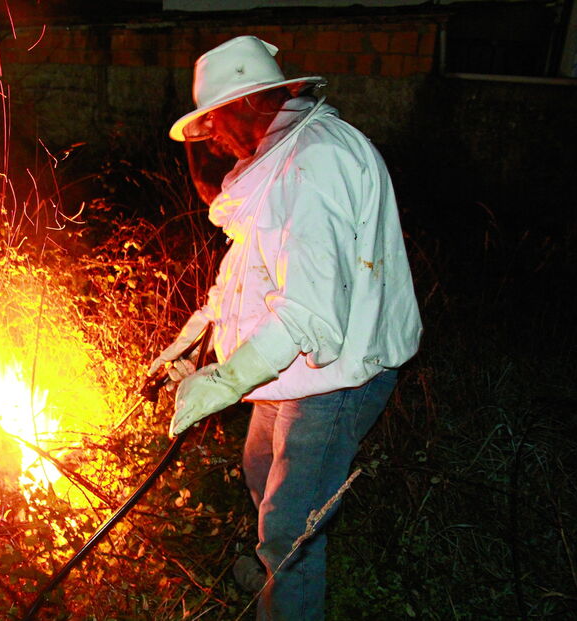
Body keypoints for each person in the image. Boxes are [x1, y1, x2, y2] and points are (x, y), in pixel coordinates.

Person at [148, 35, 422, 620]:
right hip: (291, 368)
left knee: (291, 521)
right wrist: (201, 325)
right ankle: (272, 570)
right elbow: (254, 265)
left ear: (249, 104)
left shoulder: (316, 163)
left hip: (337, 373)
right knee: (257, 467)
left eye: (215, 120)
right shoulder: (281, 159)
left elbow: (310, 312)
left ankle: (286, 588)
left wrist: (225, 380)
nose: (213, 137)